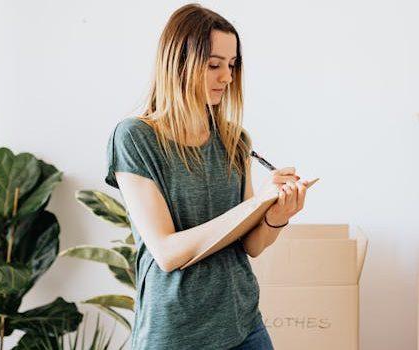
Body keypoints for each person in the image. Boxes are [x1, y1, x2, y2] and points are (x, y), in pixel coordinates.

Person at [104, 3, 308, 349]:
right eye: (214, 65)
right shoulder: (135, 138)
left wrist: (276, 216)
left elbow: (251, 246)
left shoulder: (235, 139)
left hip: (243, 325)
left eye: (231, 65)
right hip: (175, 333)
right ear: (178, 62)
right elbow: (167, 253)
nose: (227, 78)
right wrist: (256, 203)